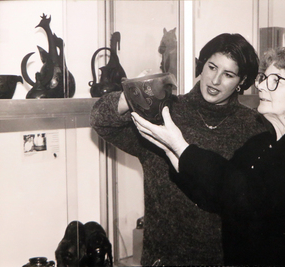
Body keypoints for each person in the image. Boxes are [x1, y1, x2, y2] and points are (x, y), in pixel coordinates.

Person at [132, 45, 285, 266]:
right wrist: (169, 148)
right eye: (263, 78)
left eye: (274, 80)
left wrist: (180, 146)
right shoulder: (260, 143)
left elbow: (247, 196)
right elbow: (217, 195)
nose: (261, 86)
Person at [90, 33, 266, 266]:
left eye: (228, 74)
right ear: (201, 65)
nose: (215, 80)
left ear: (242, 81)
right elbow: (101, 120)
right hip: (162, 259)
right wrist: (130, 93)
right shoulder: (164, 112)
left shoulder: (253, 128)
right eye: (212, 67)